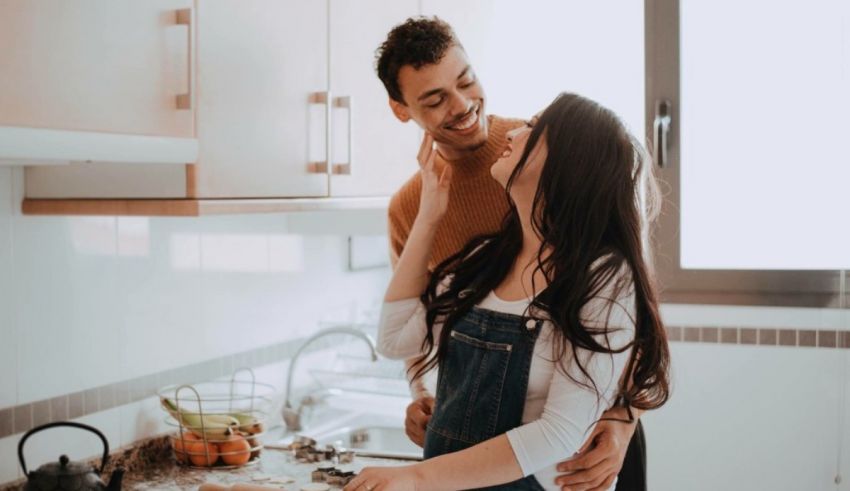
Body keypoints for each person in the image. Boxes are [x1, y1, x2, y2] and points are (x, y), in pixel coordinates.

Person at [344, 92, 670, 491]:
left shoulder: (602, 277)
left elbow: (560, 431)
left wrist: (416, 477)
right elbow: (395, 339)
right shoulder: (483, 259)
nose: (514, 132)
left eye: (533, 128)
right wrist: (429, 214)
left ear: (570, 162)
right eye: (432, 99)